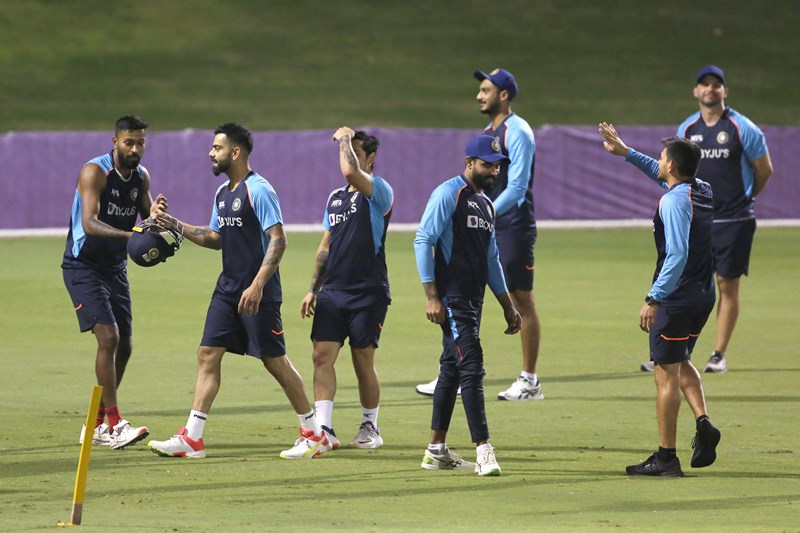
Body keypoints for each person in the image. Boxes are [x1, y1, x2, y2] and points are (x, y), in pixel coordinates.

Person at [147, 123, 330, 460]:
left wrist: (257, 285)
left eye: (216, 148)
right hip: (228, 289)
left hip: (259, 293)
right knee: (207, 353)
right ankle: (193, 438)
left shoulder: (259, 190)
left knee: (274, 361)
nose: (210, 153)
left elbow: (279, 240)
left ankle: (313, 432)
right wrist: (174, 224)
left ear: (235, 152)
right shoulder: (222, 194)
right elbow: (215, 238)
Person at [599, 122, 722, 477]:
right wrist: (626, 152)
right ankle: (703, 423)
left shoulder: (672, 202)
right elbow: (662, 173)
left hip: (676, 296)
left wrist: (654, 297)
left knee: (664, 372)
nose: (659, 160)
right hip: (702, 294)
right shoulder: (701, 188)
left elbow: (677, 254)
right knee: (680, 360)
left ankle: (666, 458)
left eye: (663, 157)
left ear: (672, 165)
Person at [415, 68, 542, 401]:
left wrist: (485, 213)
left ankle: (530, 381)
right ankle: (454, 369)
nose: (479, 95)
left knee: (520, 299)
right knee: (468, 292)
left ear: (503, 94)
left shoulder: (519, 131)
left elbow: (517, 187)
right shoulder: (491, 132)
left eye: (486, 89)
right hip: (490, 221)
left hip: (513, 225)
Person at [641, 65, 773, 374]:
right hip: (698, 221)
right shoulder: (688, 128)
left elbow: (764, 169)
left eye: (717, 85)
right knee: (684, 279)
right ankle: (672, 348)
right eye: (704, 84)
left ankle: (718, 353)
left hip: (733, 220)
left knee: (726, 284)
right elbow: (674, 169)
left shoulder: (743, 128)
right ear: (696, 91)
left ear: (725, 91)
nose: (710, 89)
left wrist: (746, 199)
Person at [414, 134, 522, 476]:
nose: (493, 171)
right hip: (452, 298)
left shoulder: (487, 204)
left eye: (497, 166)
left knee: (451, 369)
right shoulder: (449, 193)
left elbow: (492, 261)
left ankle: (435, 450)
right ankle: (484, 450)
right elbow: (423, 239)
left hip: (474, 301)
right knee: (472, 365)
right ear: (469, 163)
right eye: (486, 165)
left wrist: (508, 305)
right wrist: (432, 296)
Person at [62, 115, 166, 450]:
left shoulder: (141, 177)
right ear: (115, 141)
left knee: (125, 346)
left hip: (114, 268)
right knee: (108, 337)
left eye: (141, 143)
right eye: (129, 142)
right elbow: (90, 223)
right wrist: (130, 235)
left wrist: (157, 220)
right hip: (83, 265)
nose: (135, 149)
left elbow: (148, 223)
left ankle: (95, 425)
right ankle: (115, 422)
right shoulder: (95, 172)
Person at [300, 127, 393, 449]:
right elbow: (325, 245)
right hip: (333, 290)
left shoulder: (379, 190)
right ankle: (323, 429)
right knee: (320, 356)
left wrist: (344, 138)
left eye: (355, 150)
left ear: (371, 158)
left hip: (368, 289)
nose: (348, 155)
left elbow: (350, 169)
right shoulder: (335, 198)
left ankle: (371, 427)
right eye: (346, 149)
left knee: (362, 360)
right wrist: (314, 288)